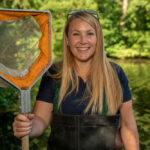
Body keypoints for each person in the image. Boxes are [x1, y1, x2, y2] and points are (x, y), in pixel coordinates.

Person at [13, 10, 139, 150]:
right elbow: (41, 120)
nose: (83, 41)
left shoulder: (116, 74)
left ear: (98, 38)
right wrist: (27, 128)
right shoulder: (54, 74)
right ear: (67, 39)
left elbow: (128, 127)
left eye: (90, 34)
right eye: (76, 34)